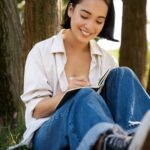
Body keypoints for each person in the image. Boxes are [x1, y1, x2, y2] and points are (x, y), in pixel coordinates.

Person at [8, 0, 150, 150]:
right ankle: (108, 143)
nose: (90, 26)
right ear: (70, 10)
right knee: (83, 95)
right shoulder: (41, 52)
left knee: (123, 74)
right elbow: (36, 111)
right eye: (84, 16)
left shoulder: (107, 60)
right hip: (49, 134)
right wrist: (67, 95)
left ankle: (135, 138)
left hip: (102, 131)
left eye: (99, 21)